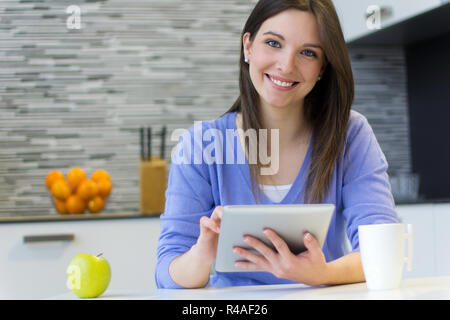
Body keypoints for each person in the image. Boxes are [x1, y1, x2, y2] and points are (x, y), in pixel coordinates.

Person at [155, 0, 398, 289]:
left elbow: (384, 251)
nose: (286, 65)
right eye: (273, 43)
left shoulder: (350, 135)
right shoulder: (202, 144)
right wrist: (201, 255)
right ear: (248, 46)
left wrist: (322, 274)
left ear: (323, 67)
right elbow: (167, 274)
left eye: (308, 52)